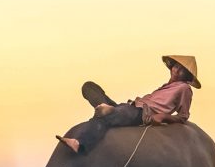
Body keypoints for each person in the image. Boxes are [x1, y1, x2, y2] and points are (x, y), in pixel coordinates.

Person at [56, 55, 201, 154]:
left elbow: (183, 116)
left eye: (182, 70)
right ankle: (108, 109)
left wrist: (162, 116)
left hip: (141, 113)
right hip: (129, 107)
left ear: (186, 75)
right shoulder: (168, 85)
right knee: (89, 86)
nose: (176, 70)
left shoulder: (184, 88)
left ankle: (81, 144)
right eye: (176, 66)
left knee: (105, 118)